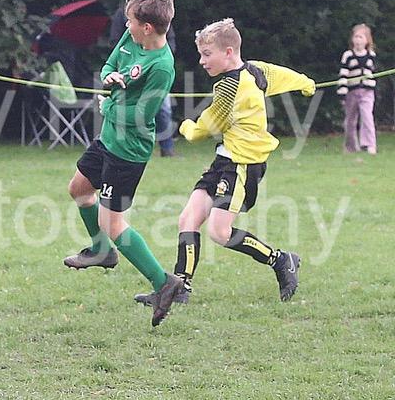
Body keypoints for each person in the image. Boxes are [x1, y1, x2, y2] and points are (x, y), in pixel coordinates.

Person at [134, 18, 316, 307]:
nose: (202, 61)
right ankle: (180, 287)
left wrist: (187, 128)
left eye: (207, 54)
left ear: (228, 52)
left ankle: (282, 260)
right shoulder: (254, 69)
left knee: (219, 232)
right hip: (224, 160)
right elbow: (280, 75)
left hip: (242, 165)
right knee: (188, 218)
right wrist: (305, 83)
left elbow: (208, 125)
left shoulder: (230, 87)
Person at [63, 0, 183, 327]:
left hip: (128, 151)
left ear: (147, 27)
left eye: (130, 22)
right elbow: (110, 64)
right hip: (108, 139)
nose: (125, 26)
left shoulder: (162, 67)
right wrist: (108, 77)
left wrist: (109, 106)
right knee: (78, 189)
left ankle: (164, 283)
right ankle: (101, 252)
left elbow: (143, 115)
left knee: (113, 223)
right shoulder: (132, 39)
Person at [110, 0, 177, 157]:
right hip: (128, 75)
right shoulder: (122, 15)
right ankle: (120, 143)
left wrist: (157, 59)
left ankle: (167, 148)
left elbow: (168, 39)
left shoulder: (159, 16)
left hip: (154, 72)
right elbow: (116, 43)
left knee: (163, 110)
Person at [336, 23, 377, 154]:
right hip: (351, 92)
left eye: (361, 37)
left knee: (367, 117)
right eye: (356, 37)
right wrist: (342, 92)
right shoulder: (348, 55)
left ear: (367, 40)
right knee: (350, 120)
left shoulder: (371, 55)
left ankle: (369, 145)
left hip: (367, 92)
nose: (358, 40)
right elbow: (343, 74)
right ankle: (351, 147)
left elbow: (372, 72)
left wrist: (370, 83)